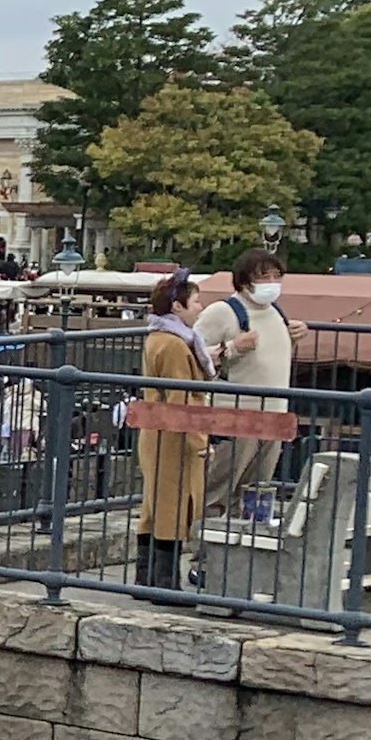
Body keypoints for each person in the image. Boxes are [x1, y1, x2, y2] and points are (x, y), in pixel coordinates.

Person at [193, 248, 292, 529]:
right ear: (245, 280)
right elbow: (192, 355)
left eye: (276, 275)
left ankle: (241, 559)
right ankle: (205, 559)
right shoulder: (223, 312)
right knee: (219, 490)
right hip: (235, 416)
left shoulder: (276, 313)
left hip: (273, 416)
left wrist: (293, 337)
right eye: (264, 276)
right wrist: (232, 348)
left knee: (257, 492)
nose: (271, 282)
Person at [132, 271, 210, 588]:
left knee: (153, 505)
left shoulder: (157, 338)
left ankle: (146, 578)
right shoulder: (176, 346)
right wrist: (200, 440)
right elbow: (181, 400)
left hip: (154, 430)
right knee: (174, 506)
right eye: (196, 302)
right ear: (178, 307)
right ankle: (166, 583)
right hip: (174, 435)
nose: (200, 308)